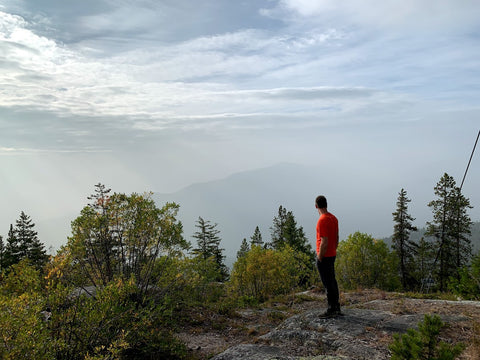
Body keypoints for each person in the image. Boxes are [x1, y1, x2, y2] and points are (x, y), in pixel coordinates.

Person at [315, 195, 341, 317]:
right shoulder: (333, 218)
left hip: (324, 256)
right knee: (332, 281)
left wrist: (320, 257)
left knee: (327, 283)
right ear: (326, 204)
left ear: (316, 206)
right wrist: (334, 249)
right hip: (332, 254)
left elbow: (324, 241)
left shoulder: (322, 220)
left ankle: (331, 309)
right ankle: (336, 307)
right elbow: (336, 237)